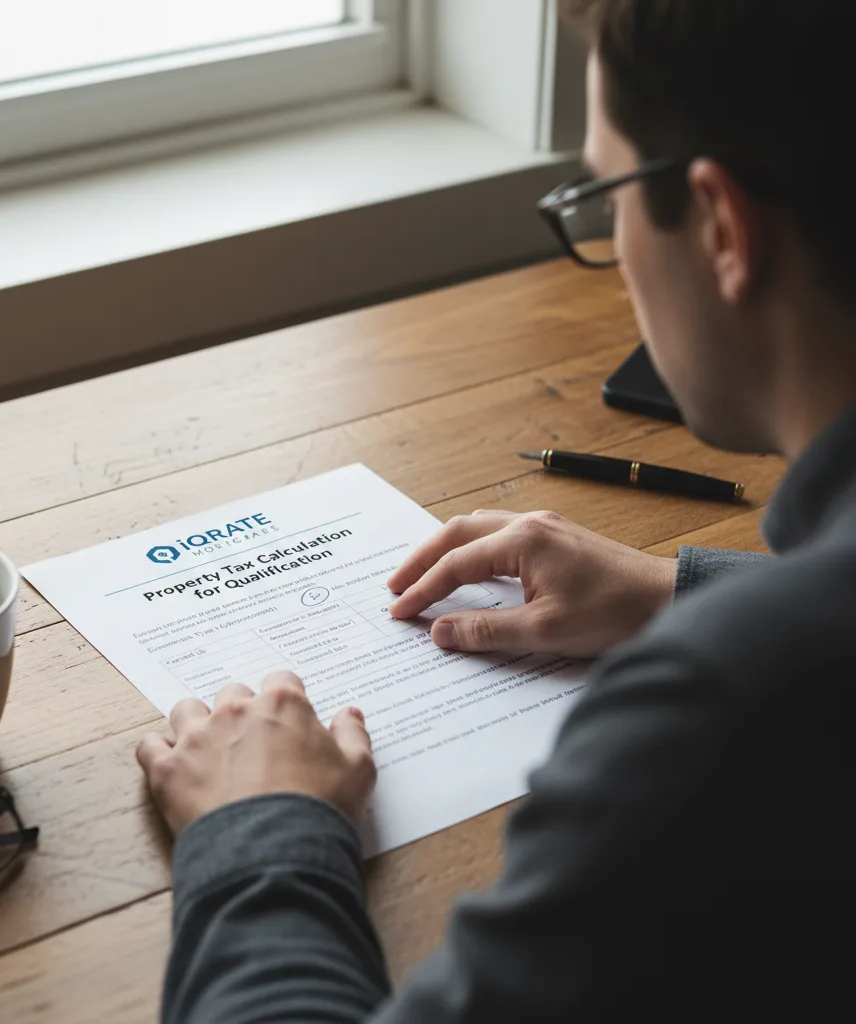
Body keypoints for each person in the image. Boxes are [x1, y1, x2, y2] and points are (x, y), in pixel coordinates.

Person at [135, 1, 852, 1019]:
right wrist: (677, 588)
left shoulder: (720, 714)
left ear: (721, 228)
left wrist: (261, 830)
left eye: (603, 194)